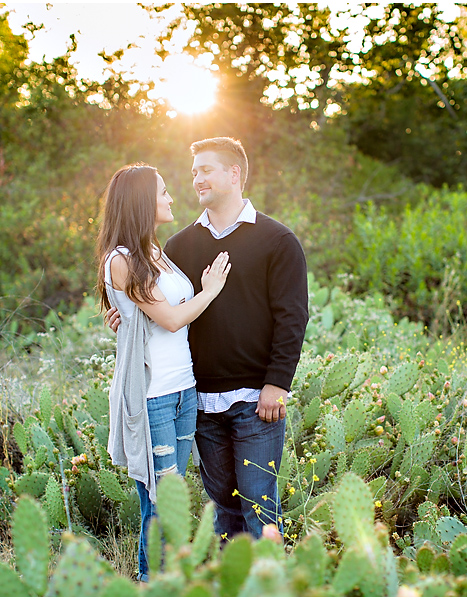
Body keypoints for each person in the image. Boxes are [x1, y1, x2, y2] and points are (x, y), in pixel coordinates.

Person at [107, 138, 309, 541]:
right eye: (194, 170)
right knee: (222, 505)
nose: (195, 178)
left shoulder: (277, 240)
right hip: (197, 398)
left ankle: (270, 586)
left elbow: (293, 318)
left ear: (234, 174)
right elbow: (163, 306)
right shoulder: (178, 246)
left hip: (256, 399)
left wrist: (277, 384)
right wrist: (128, 319)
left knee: (258, 504)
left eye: (206, 169)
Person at [96, 163, 231, 582]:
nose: (172, 198)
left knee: (172, 502)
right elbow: (171, 320)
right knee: (158, 507)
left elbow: (142, 313)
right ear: (141, 203)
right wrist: (210, 291)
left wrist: (120, 316)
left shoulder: (155, 252)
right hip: (152, 396)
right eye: (163, 192)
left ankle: (169, 584)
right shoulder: (120, 260)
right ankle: (150, 587)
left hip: (183, 391)